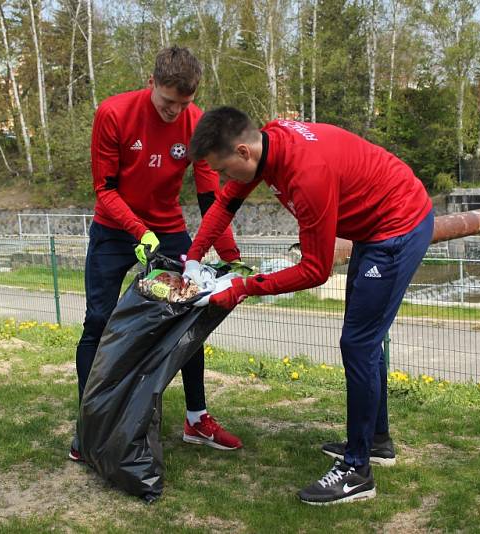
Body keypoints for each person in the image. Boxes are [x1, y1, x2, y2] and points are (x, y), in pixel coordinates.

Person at [184, 107, 434, 505]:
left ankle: (357, 470)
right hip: (374, 225)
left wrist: (243, 287)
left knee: (358, 344)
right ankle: (376, 440)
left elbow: (315, 270)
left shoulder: (307, 175)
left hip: (396, 227)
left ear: (244, 152)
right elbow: (224, 206)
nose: (224, 179)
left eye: (225, 170)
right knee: (362, 342)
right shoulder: (269, 143)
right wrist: (193, 257)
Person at [70, 46, 246, 462]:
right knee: (97, 320)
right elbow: (104, 189)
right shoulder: (113, 114)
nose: (174, 111)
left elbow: (210, 196)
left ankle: (196, 418)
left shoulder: (195, 123)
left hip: (167, 229)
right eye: (168, 102)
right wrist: (137, 232)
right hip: (115, 228)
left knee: (190, 316)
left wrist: (230, 253)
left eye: (182, 104)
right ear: (152, 84)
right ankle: (89, 424)